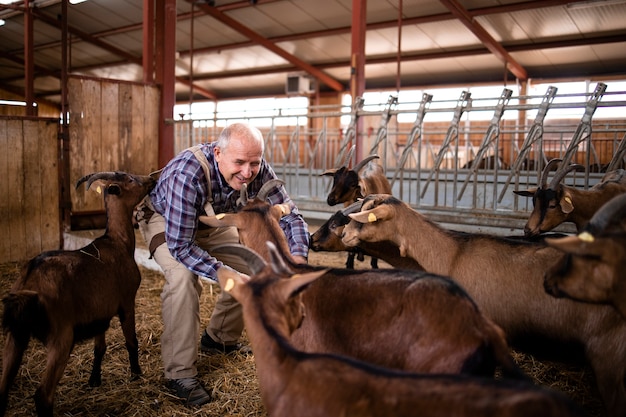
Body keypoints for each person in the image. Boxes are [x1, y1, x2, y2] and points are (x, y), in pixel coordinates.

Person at [136, 123, 309, 407]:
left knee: (256, 267)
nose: (247, 172)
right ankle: (180, 374)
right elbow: (181, 246)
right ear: (218, 153)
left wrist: (298, 259)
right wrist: (229, 277)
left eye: (254, 163)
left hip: (211, 221)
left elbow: (291, 215)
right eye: (239, 162)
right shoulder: (187, 173)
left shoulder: (255, 165)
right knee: (183, 279)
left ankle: (219, 339)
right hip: (167, 222)